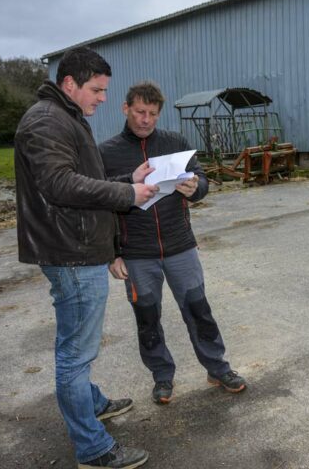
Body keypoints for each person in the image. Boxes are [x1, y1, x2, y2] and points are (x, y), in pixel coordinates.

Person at [14, 47, 157, 469]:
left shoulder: (66, 118)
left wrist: (124, 180)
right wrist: (127, 194)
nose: (102, 99)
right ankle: (93, 449)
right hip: (71, 254)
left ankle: (91, 403)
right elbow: (60, 185)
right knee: (75, 354)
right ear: (69, 84)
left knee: (80, 346)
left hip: (78, 248)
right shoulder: (45, 121)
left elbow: (84, 182)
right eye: (96, 90)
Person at [99, 81, 246, 405]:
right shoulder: (107, 153)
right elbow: (101, 201)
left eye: (152, 113)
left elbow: (202, 179)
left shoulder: (175, 143)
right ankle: (162, 376)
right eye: (139, 112)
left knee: (199, 310)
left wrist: (197, 188)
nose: (145, 120)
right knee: (147, 318)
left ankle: (217, 367)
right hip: (137, 254)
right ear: (126, 109)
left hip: (180, 245)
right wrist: (112, 254)